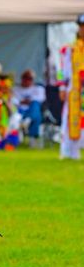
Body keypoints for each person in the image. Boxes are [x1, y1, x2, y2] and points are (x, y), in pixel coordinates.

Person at [59, 14, 84, 160]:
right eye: (82, 27)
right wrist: (62, 87)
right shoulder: (70, 49)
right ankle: (70, 151)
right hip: (74, 88)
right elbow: (62, 70)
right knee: (71, 119)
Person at [13, 69, 46, 146]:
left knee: (35, 105)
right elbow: (14, 101)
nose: (27, 80)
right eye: (25, 78)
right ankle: (31, 134)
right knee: (35, 115)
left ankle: (29, 121)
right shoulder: (16, 89)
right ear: (22, 79)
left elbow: (40, 99)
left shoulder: (38, 88)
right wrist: (25, 101)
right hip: (20, 111)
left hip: (33, 110)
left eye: (29, 78)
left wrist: (27, 101)